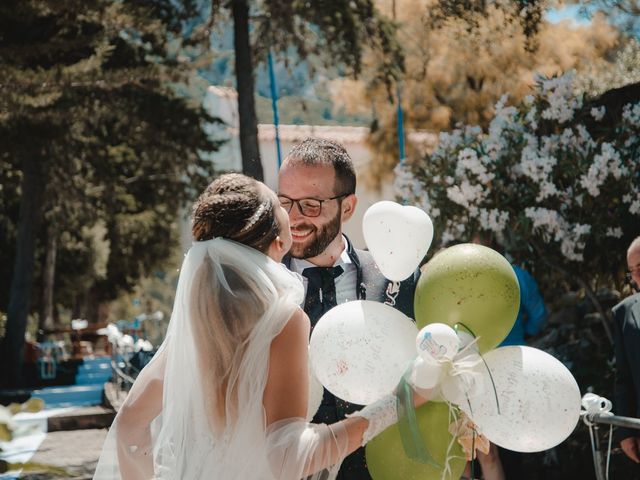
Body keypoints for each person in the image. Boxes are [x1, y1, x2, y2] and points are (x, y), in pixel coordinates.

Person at [93, 173, 425, 480]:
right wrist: (393, 407)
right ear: (279, 241)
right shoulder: (283, 320)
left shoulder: (197, 327)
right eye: (282, 206)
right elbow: (286, 457)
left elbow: (130, 427)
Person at [278, 138, 419, 479]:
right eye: (284, 203)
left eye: (310, 205)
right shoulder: (261, 286)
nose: (293, 218)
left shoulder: (398, 277)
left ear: (348, 207)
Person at [613, 236, 640, 464]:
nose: (637, 277)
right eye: (632, 271)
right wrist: (625, 430)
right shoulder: (624, 313)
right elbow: (624, 377)